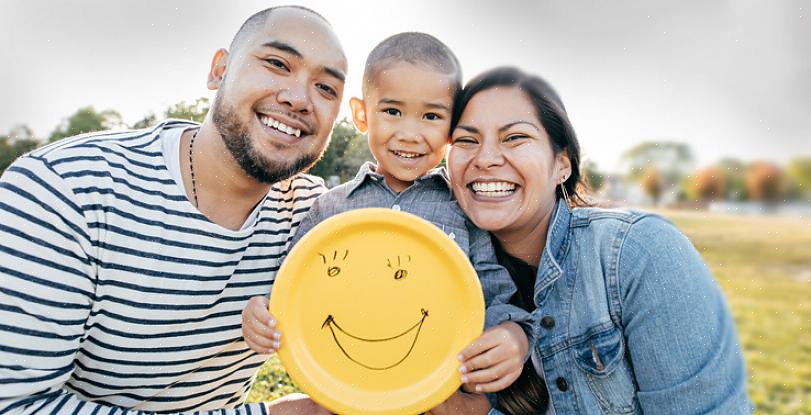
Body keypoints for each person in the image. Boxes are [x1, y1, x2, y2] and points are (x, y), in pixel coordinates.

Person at [0, 6, 347, 414]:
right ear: (219, 70)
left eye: (327, 88)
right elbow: (15, 403)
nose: (299, 98)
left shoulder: (315, 217)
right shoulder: (67, 190)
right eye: (276, 63)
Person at [430, 67, 751, 414]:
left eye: (515, 138)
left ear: (562, 165)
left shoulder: (639, 254)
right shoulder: (434, 274)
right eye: (465, 140)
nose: (486, 158)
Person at [242, 33, 533, 402]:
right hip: (345, 391)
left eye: (431, 116)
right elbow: (291, 288)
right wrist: (261, 313)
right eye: (392, 111)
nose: (410, 134)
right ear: (362, 115)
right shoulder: (329, 209)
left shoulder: (463, 212)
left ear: (452, 128)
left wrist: (514, 336)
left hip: (435, 393)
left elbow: (494, 293)